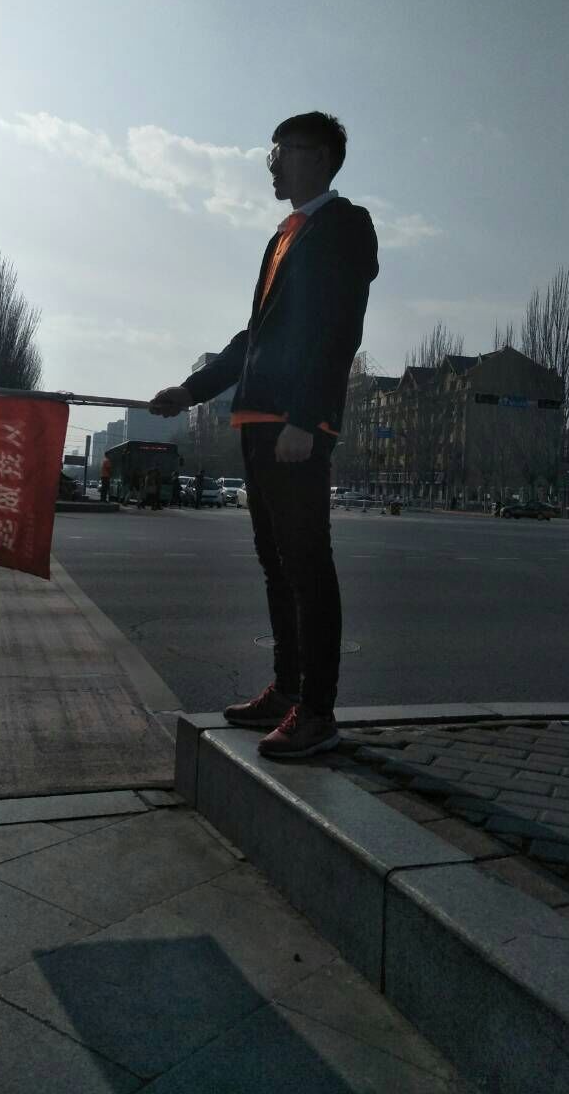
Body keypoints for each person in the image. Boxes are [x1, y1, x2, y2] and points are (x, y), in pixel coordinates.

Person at [150, 111, 378, 760]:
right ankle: (288, 689)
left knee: (308, 566)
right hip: (257, 423)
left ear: (317, 156)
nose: (271, 165)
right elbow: (255, 338)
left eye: (280, 152)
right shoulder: (283, 236)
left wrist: (308, 417)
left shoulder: (344, 226)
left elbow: (339, 326)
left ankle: (318, 712)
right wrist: (191, 391)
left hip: (293, 427)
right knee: (277, 568)